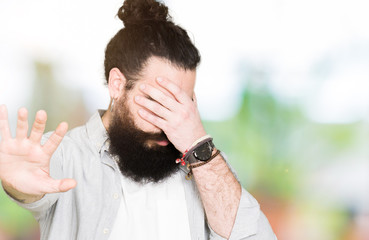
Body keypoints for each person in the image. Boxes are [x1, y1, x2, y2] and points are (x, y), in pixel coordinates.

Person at [0, 0, 276, 239]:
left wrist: (199, 148)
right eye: (159, 103)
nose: (171, 123)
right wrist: (17, 185)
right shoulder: (64, 154)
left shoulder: (204, 163)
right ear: (117, 85)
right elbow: (34, 187)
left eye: (183, 106)